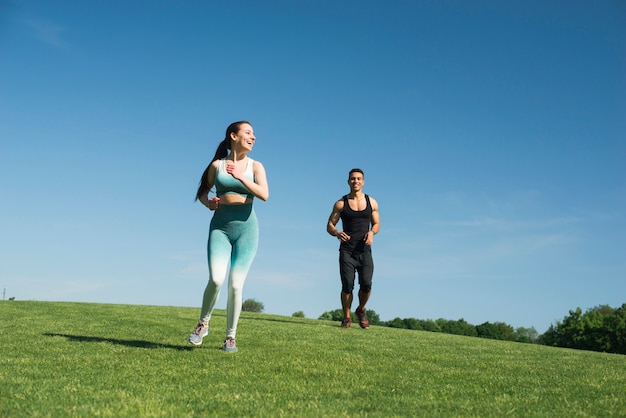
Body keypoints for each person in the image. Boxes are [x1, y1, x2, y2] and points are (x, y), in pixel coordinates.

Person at [187, 121, 269, 352]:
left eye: (254, 133)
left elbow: (264, 194)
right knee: (216, 279)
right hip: (220, 229)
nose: (253, 137)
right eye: (248, 133)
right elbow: (202, 193)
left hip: (247, 230)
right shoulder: (217, 165)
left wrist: (242, 177)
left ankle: (230, 337)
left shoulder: (256, 166)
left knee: (235, 285)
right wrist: (209, 203)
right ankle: (203, 324)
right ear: (233, 136)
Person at [326, 168, 380, 329]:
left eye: (358, 179)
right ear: (348, 181)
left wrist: (371, 232)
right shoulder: (341, 203)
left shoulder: (372, 202)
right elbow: (329, 225)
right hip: (347, 250)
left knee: (366, 284)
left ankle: (361, 309)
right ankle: (347, 317)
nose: (355, 181)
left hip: (364, 250)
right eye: (352, 179)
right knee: (347, 285)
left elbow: (376, 224)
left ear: (363, 182)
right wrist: (336, 232)